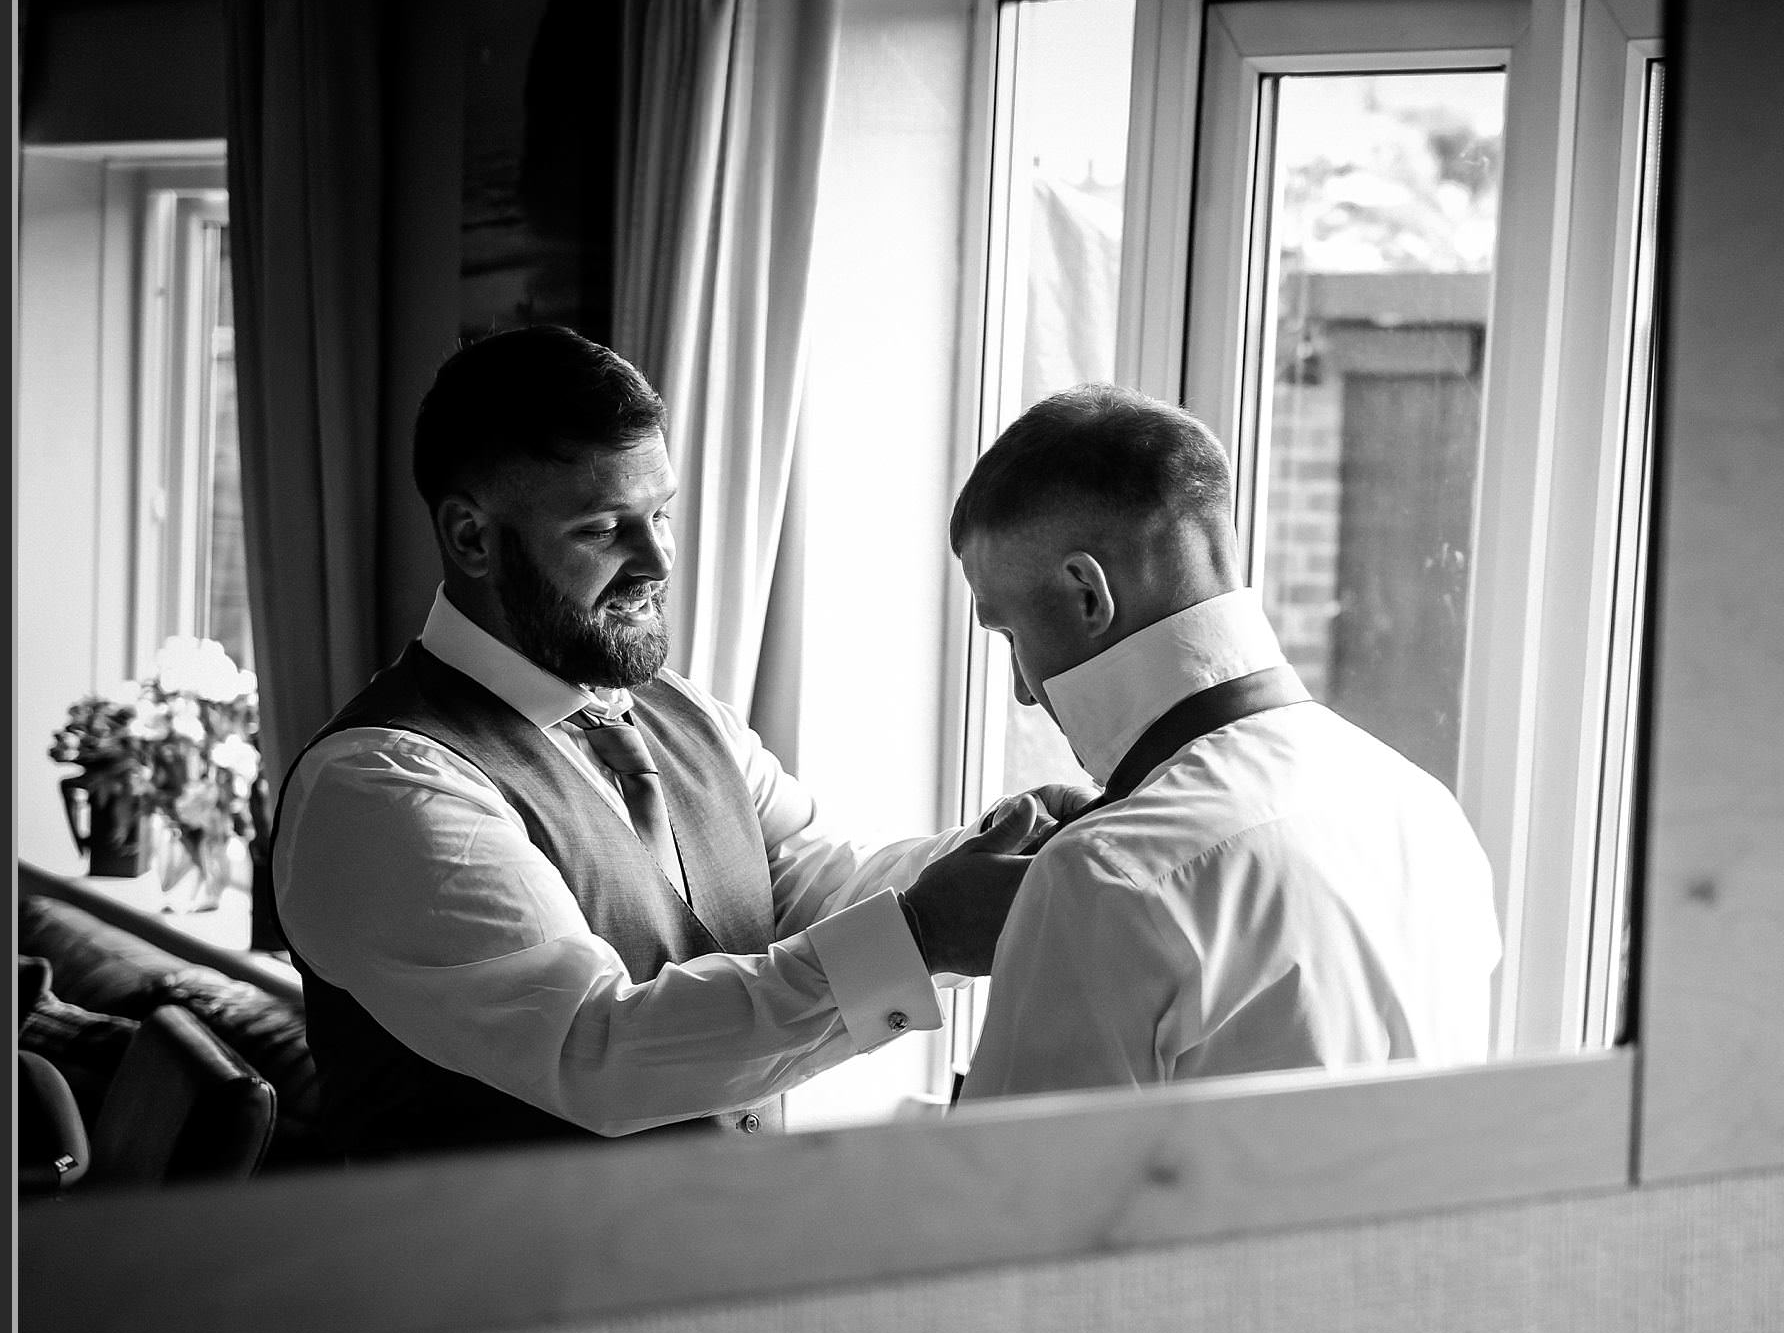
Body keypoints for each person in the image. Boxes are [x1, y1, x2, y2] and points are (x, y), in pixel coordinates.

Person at [273, 325, 1069, 1158]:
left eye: (660, 513)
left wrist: (1010, 854)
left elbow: (810, 881)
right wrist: (924, 936)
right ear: (472, 538)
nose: (657, 559)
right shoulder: (379, 785)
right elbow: (599, 1050)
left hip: (713, 1257)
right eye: (602, 529)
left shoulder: (683, 714)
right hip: (487, 1283)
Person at [950, 383, 1502, 1100]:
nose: (1025, 691)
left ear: (1087, 594)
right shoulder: (1426, 810)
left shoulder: (1102, 878)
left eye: (1009, 634)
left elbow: (1009, 1202)